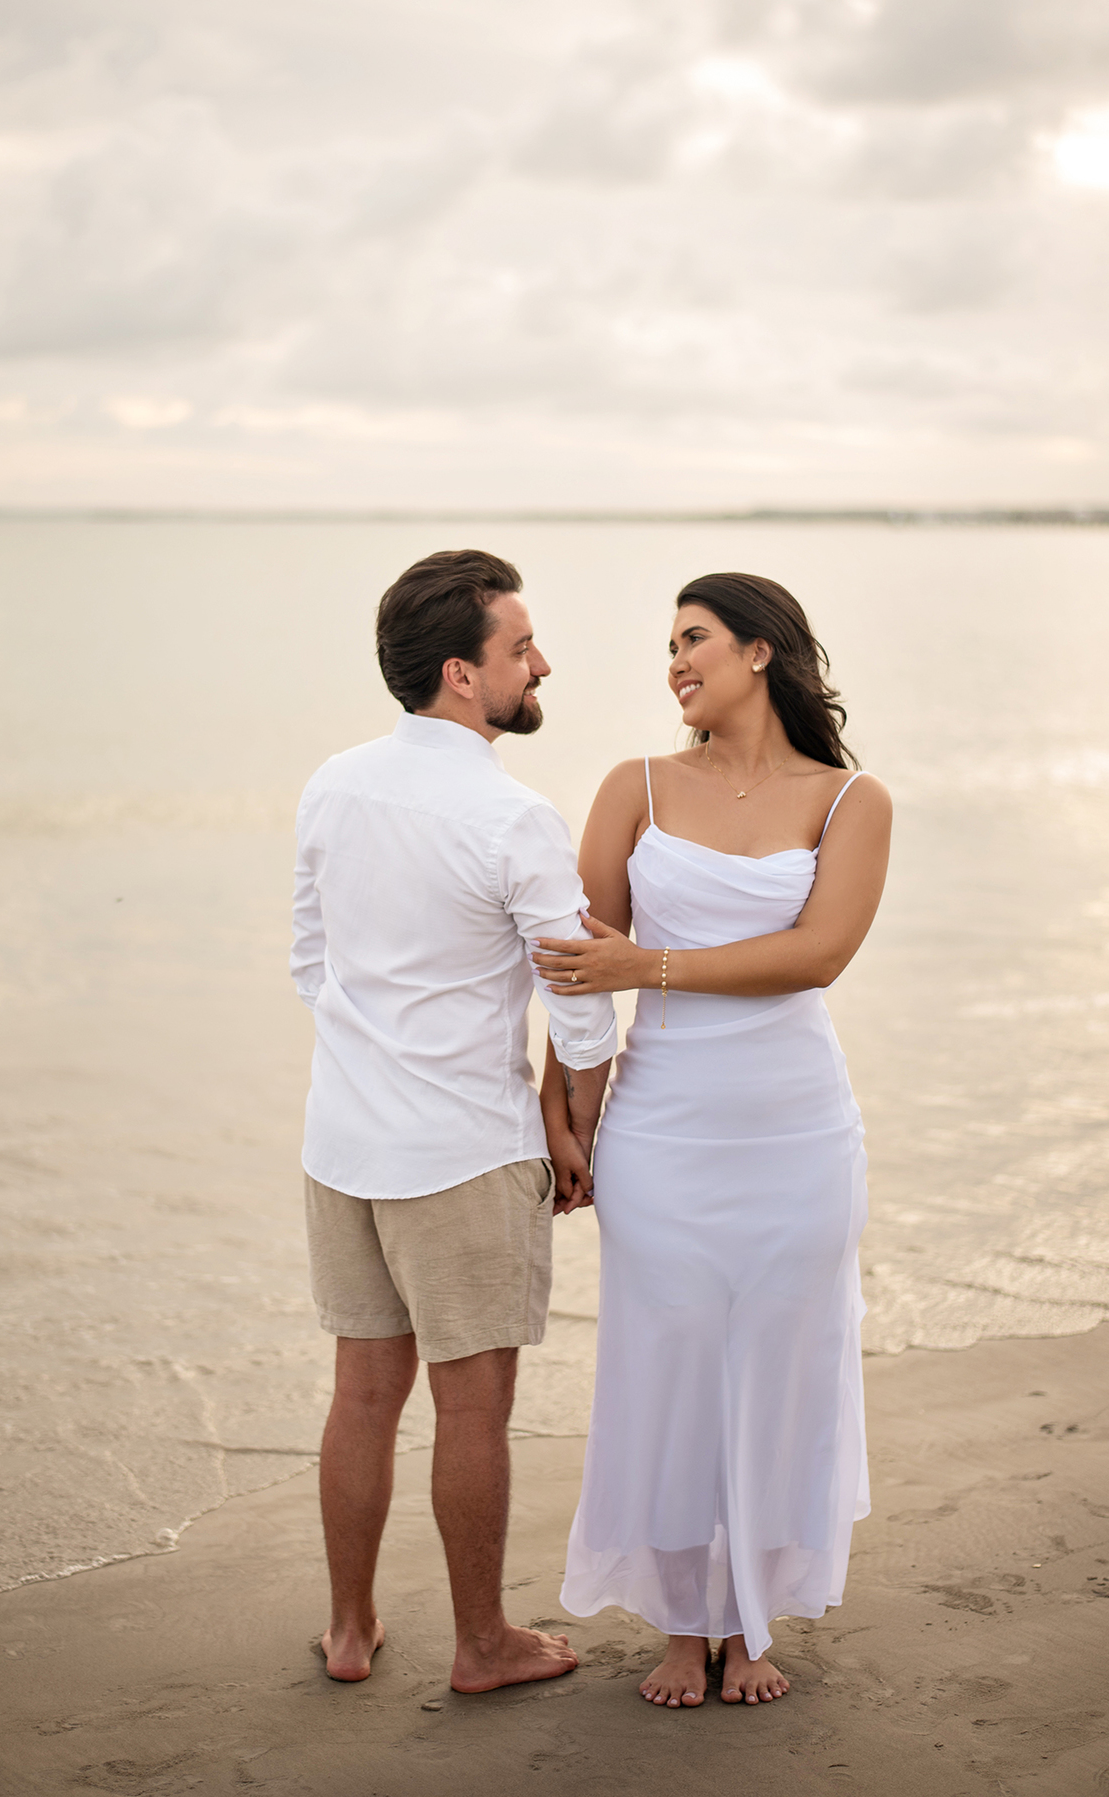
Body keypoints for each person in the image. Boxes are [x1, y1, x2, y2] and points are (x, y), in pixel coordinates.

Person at [534, 572, 891, 1710]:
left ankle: (751, 1621)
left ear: (761, 653)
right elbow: (581, 970)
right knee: (671, 1363)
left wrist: (656, 967)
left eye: (694, 639)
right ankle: (681, 1623)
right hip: (664, 1129)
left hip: (797, 1130)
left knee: (782, 1370)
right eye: (670, 645)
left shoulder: (851, 800)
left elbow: (819, 954)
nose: (675, 661)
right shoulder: (632, 786)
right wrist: (567, 1109)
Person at [291, 549, 616, 1695]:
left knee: (362, 1394)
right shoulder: (512, 814)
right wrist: (579, 1127)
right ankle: (483, 1644)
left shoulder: (332, 782)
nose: (540, 664)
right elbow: (579, 1007)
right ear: (462, 677)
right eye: (520, 647)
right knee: (472, 1408)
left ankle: (348, 1629)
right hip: (465, 1153)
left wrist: (373, 1053)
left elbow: (309, 961)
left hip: (342, 1144)